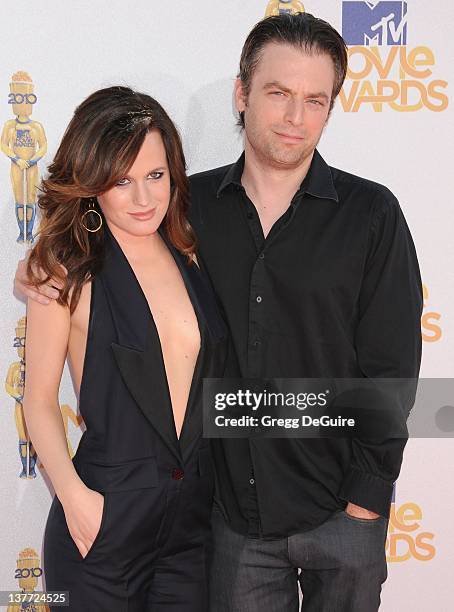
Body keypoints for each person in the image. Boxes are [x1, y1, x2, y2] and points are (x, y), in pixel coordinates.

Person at [16, 12, 423, 612]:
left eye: (315, 100)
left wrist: (366, 498)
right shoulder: (189, 211)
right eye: (278, 93)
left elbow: (393, 369)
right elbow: (103, 233)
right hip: (230, 521)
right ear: (243, 92)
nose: (294, 117)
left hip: (339, 509)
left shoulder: (371, 215)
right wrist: (45, 263)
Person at [21, 86, 229, 611]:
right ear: (92, 185)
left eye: (156, 176)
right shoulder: (64, 272)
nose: (143, 199)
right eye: (121, 181)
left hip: (190, 535)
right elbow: (39, 400)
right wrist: (75, 499)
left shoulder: (191, 250)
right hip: (103, 530)